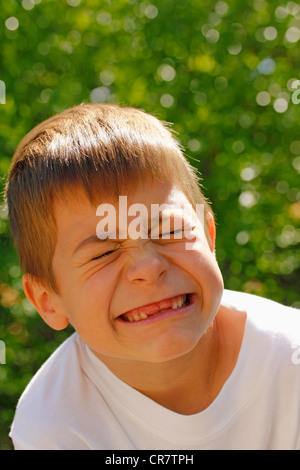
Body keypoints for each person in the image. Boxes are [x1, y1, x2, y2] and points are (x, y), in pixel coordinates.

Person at [5, 103, 300, 450]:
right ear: (47, 301)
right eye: (103, 253)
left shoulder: (290, 362)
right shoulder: (55, 427)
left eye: (170, 231)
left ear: (208, 234)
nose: (148, 266)